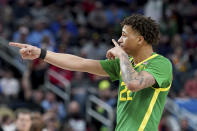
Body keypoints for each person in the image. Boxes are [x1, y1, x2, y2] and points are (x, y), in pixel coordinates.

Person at [10, 14, 173, 131]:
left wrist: (122, 56)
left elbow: (133, 83)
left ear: (140, 39)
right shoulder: (125, 64)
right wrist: (41, 53)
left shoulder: (161, 64)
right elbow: (80, 63)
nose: (120, 40)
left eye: (124, 35)